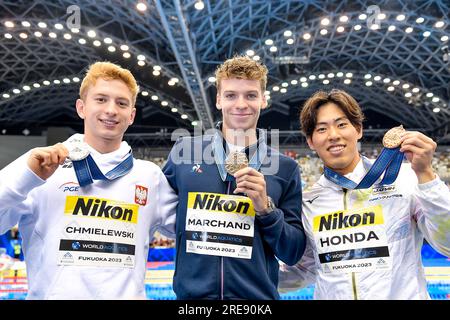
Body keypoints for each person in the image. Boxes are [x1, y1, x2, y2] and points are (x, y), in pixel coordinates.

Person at [0, 61, 177, 299]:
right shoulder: (41, 168)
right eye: (101, 99)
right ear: (81, 107)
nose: (112, 110)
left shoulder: (150, 176)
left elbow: (196, 229)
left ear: (131, 115)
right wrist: (25, 177)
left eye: (121, 103)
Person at [279, 89, 450, 299]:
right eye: (322, 129)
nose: (333, 135)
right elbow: (304, 270)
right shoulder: (309, 202)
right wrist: (238, 271)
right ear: (311, 142)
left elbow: (447, 243)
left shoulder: (404, 179)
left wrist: (427, 176)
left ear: (358, 129)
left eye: (342, 125)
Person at [163, 56, 306, 299]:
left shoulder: (285, 168)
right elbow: (141, 199)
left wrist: (266, 210)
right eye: (231, 95)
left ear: (263, 99)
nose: (241, 104)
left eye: (250, 95)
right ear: (218, 100)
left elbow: (292, 252)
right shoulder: (184, 154)